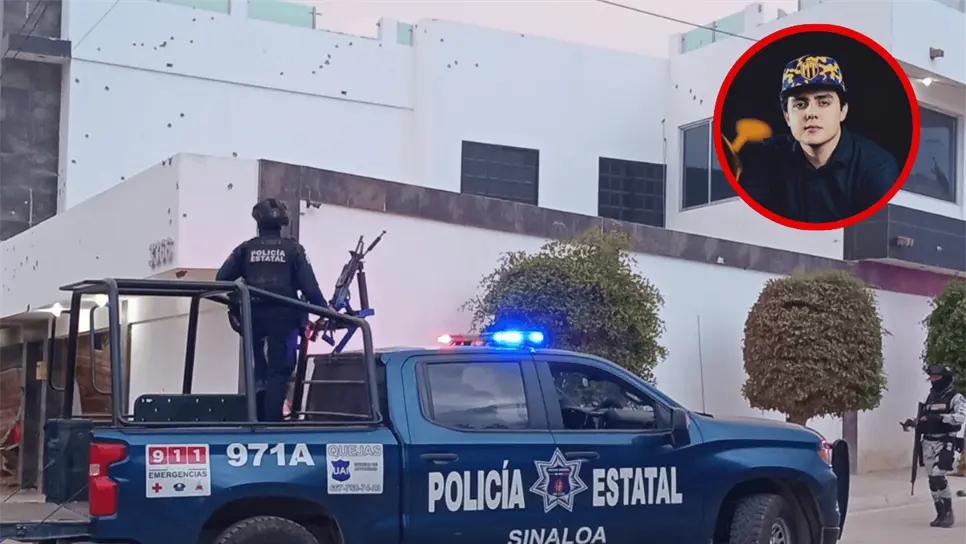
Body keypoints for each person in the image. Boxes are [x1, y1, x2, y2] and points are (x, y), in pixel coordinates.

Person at [736, 55, 900, 223]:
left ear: (843, 111)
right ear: (787, 117)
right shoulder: (767, 158)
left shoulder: (875, 167)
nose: (811, 113)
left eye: (823, 103)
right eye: (800, 104)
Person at [216, 198, 327, 422]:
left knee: (258, 371)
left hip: (253, 320)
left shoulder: (245, 249)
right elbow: (310, 288)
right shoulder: (293, 250)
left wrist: (237, 300)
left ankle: (255, 420)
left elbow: (222, 278)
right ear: (282, 223)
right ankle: (272, 425)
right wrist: (326, 310)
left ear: (258, 223)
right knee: (279, 372)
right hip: (284, 321)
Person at [910, 365, 965, 528]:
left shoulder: (956, 397)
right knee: (932, 481)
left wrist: (940, 418)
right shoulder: (931, 397)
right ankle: (940, 513)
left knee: (938, 476)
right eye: (931, 378)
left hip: (945, 441)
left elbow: (961, 417)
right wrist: (914, 423)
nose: (933, 381)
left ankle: (948, 513)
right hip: (928, 442)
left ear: (945, 378)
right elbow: (925, 417)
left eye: (936, 378)